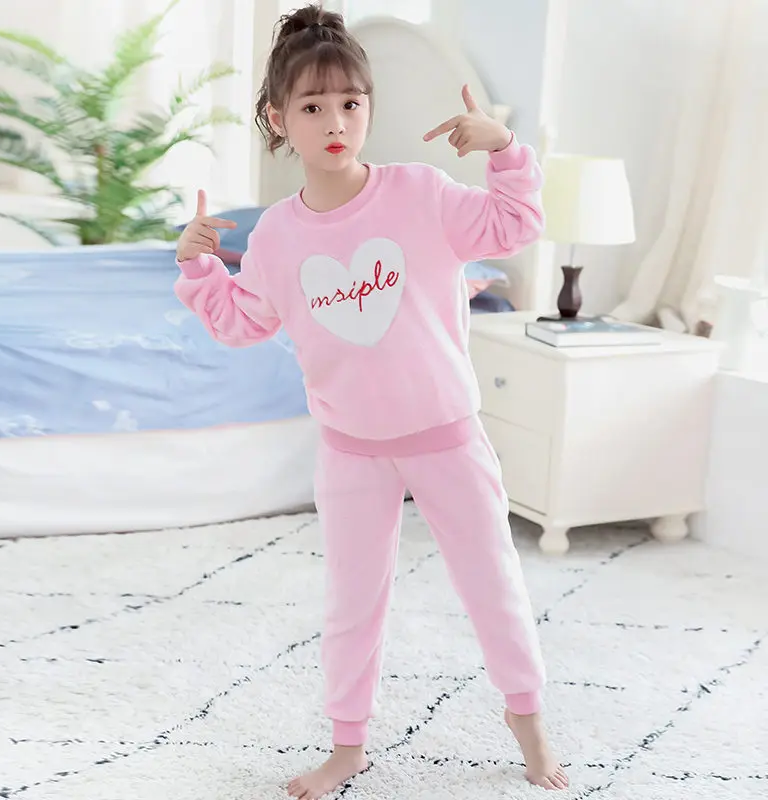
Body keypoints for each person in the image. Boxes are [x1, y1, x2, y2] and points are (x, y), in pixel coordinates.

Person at [174, 3, 568, 797]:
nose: (335, 123)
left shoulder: (422, 193)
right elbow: (244, 322)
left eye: (351, 102)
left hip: (447, 437)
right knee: (353, 604)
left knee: (492, 583)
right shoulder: (277, 236)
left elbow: (514, 224)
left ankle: (528, 723)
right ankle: (347, 745)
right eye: (312, 106)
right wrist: (197, 267)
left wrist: (503, 150)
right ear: (278, 118)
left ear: (369, 107)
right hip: (350, 452)